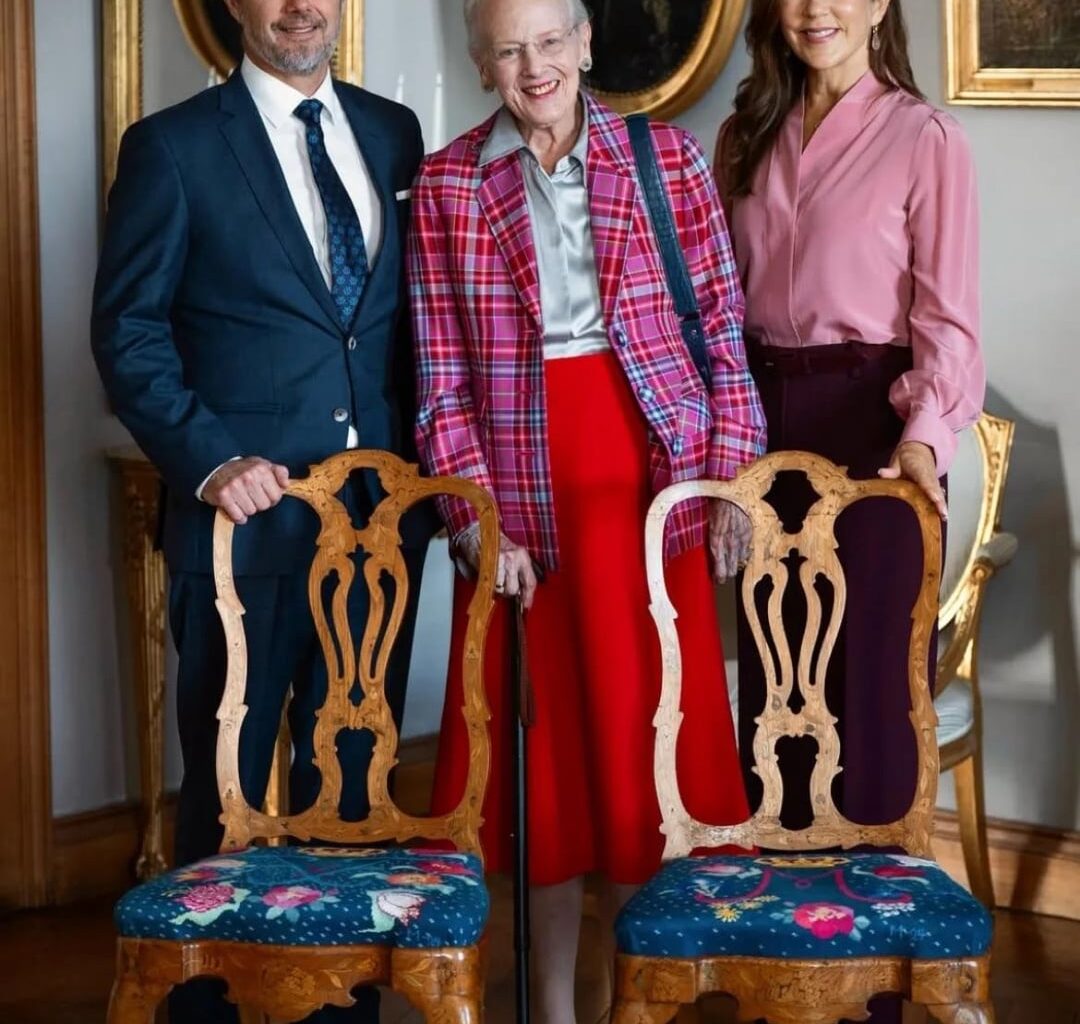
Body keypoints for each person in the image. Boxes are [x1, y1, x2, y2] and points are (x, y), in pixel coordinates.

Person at [408, 0, 766, 1018]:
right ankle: (554, 1005)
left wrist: (728, 474)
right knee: (546, 769)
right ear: (481, 66)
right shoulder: (446, 183)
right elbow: (440, 385)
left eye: (552, 42)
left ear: (586, 45)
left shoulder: (667, 160)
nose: (536, 68)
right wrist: (479, 523)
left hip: (653, 490)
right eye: (510, 50)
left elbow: (722, 338)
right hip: (520, 491)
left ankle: (639, 999)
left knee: (645, 755)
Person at [91, 1, 432, 1021]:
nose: (301, 6)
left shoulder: (391, 131)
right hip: (241, 533)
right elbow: (130, 331)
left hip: (373, 527)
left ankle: (343, 1006)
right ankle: (211, 1005)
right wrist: (206, 459)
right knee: (227, 784)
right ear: (234, 5)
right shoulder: (172, 148)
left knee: (356, 779)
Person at [714, 1, 983, 1020]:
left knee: (865, 701)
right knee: (776, 696)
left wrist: (921, 439)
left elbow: (949, 320)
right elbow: (715, 304)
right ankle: (780, 968)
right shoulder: (742, 133)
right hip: (761, 430)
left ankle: (864, 984)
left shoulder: (926, 137)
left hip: (877, 436)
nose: (815, 6)